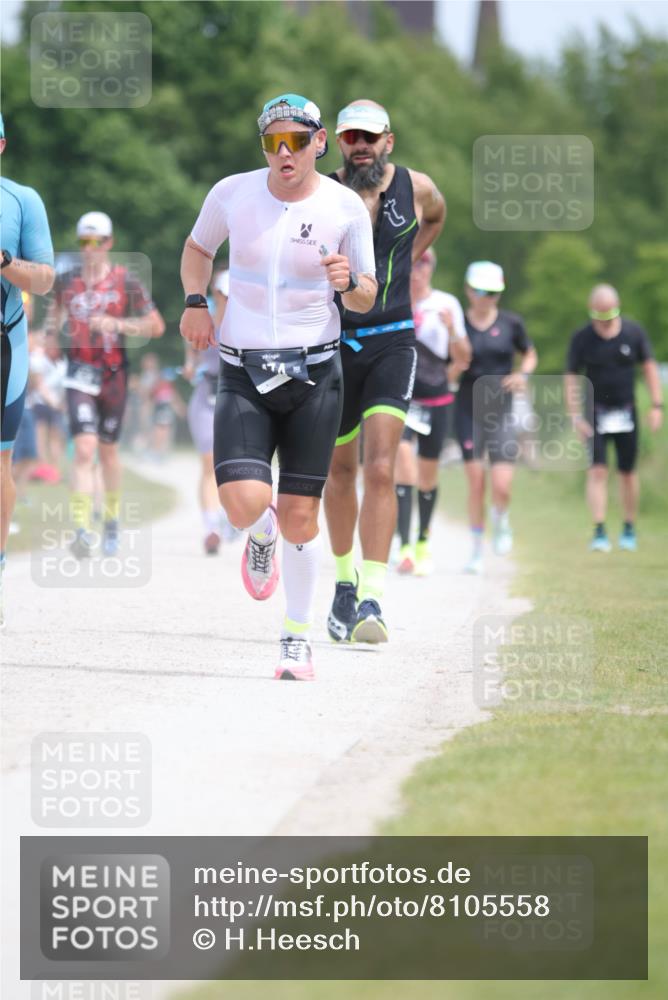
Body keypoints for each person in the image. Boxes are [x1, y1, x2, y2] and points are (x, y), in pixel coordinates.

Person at [179, 93, 377, 680]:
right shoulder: (232, 193)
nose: (283, 154)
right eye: (272, 143)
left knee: (300, 516)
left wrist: (348, 283)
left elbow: (366, 293)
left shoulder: (346, 208)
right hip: (243, 369)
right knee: (242, 504)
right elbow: (197, 249)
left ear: (320, 142)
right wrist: (195, 301)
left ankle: (296, 637)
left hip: (314, 373)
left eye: (295, 141)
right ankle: (258, 533)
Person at [323, 99, 446, 643]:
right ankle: (344, 582)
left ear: (388, 141)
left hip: (393, 340)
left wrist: (413, 256)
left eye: (370, 137)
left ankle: (372, 597)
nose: (361, 146)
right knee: (339, 472)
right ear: (339, 143)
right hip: (333, 343)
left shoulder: (417, 188)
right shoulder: (322, 192)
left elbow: (438, 215)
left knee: (381, 467)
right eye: (351, 137)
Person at [46, 211, 165, 557]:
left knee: (108, 452)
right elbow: (55, 313)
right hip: (79, 373)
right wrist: (53, 336)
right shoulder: (67, 281)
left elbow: (155, 325)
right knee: (83, 449)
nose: (89, 249)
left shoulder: (125, 281)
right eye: (83, 241)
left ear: (109, 243)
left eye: (96, 242)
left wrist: (118, 325)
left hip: (114, 375)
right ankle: (81, 529)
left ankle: (111, 519)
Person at [1, 114, 55, 626]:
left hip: (4, 346)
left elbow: (43, 279)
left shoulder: (22, 200)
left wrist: (3, 262)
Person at [565, 284, 663, 552]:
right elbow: (571, 377)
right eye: (600, 316)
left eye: (610, 315)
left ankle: (629, 526)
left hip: (626, 412)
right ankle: (598, 530)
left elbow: (649, 367)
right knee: (597, 470)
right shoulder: (582, 338)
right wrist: (574, 415)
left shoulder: (633, 332)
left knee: (627, 472)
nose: (606, 322)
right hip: (594, 414)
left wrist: (656, 405)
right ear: (592, 312)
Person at [455, 261, 537, 575]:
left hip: (501, 411)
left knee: (502, 485)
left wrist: (523, 374)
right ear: (468, 291)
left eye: (493, 292)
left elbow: (529, 352)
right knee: (476, 483)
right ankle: (476, 550)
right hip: (467, 410)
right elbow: (448, 365)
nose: (487, 297)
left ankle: (501, 520)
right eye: (481, 291)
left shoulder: (512, 323)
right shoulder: (458, 325)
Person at [394, 248, 470, 576]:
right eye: (412, 264)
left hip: (436, 401)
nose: (417, 270)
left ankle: (423, 540)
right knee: (404, 463)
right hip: (402, 399)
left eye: (423, 264)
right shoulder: (393, 300)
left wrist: (452, 330)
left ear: (432, 268)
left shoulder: (447, 303)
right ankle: (405, 546)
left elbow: (464, 357)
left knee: (427, 475)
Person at [183, 268, 239, 554]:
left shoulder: (246, 322)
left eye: (230, 295)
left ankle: (233, 517)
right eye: (222, 294)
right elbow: (190, 357)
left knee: (231, 466)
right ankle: (211, 527)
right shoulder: (202, 319)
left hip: (237, 398)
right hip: (206, 395)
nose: (226, 299)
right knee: (208, 463)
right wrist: (191, 366)